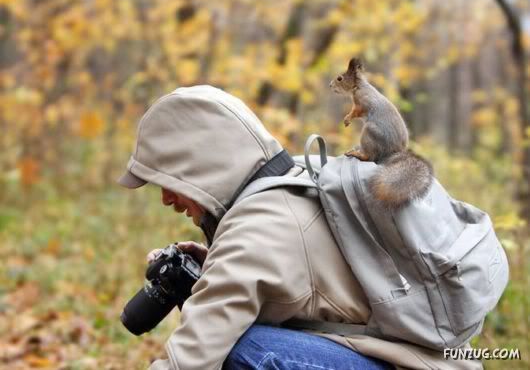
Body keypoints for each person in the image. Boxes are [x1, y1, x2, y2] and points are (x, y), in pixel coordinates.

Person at [118, 85, 482, 370]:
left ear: (197, 166)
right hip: (432, 360)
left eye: (168, 181)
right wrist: (215, 263)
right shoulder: (294, 177)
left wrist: (224, 268)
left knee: (245, 352)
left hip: (412, 366)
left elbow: (191, 358)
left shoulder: (257, 229)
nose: (166, 198)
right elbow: (304, 282)